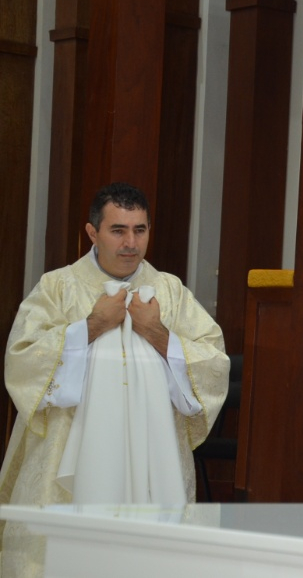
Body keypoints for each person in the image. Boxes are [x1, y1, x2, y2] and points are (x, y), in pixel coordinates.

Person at [0, 182, 229, 576]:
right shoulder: (58, 288)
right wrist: (92, 325)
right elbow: (22, 358)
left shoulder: (169, 292)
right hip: (66, 452)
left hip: (151, 449)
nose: (131, 243)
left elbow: (213, 362)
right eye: (118, 230)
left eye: (140, 230)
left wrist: (157, 333)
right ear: (93, 232)